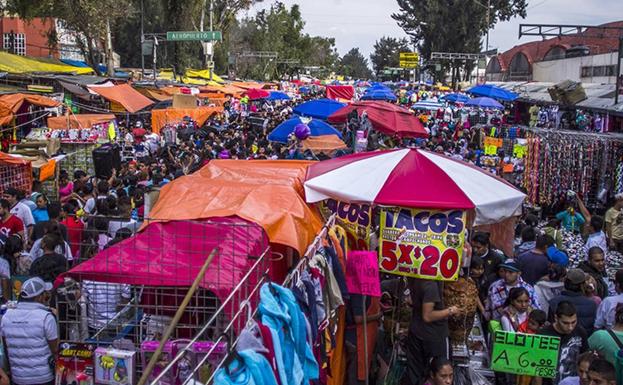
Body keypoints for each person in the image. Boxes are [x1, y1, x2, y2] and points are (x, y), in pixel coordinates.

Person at [1, 277, 59, 385]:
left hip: (18, 378)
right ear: (39, 297)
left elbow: (6, 348)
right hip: (44, 377)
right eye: (44, 294)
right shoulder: (46, 317)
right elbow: (55, 350)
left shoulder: (6, 316)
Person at [402, 278, 459, 385]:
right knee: (443, 373)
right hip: (434, 336)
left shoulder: (415, 279)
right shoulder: (431, 285)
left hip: (416, 332)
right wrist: (450, 311)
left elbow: (413, 301)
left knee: (416, 374)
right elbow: (427, 316)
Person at [538, 301, 589, 385]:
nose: (570, 327)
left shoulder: (580, 331)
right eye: (565, 323)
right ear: (556, 318)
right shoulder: (543, 334)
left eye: (573, 322)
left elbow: (585, 356)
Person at [549, 269, 597, 334]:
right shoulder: (592, 304)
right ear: (582, 285)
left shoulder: (554, 302)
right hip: (583, 341)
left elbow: (550, 326)